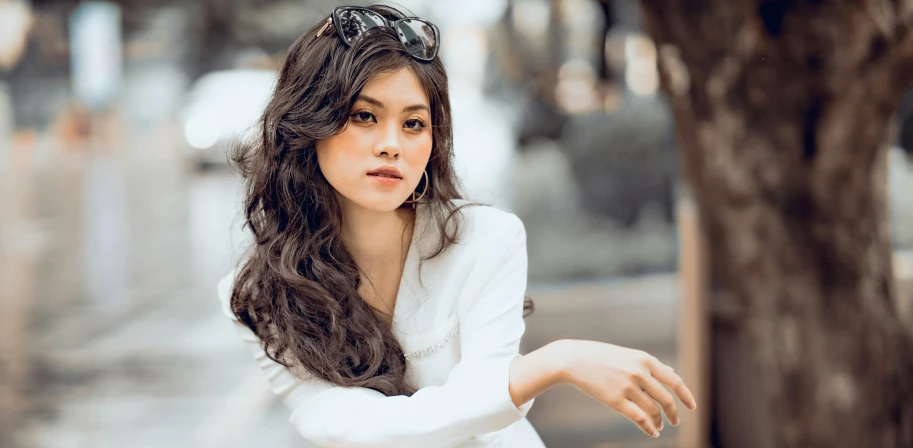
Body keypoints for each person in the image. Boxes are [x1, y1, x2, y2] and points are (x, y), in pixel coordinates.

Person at [216, 5, 696, 447]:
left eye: (413, 124)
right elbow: (351, 429)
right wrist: (553, 362)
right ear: (307, 124)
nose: (391, 145)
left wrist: (545, 365)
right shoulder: (262, 293)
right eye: (364, 116)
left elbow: (483, 409)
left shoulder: (486, 240)